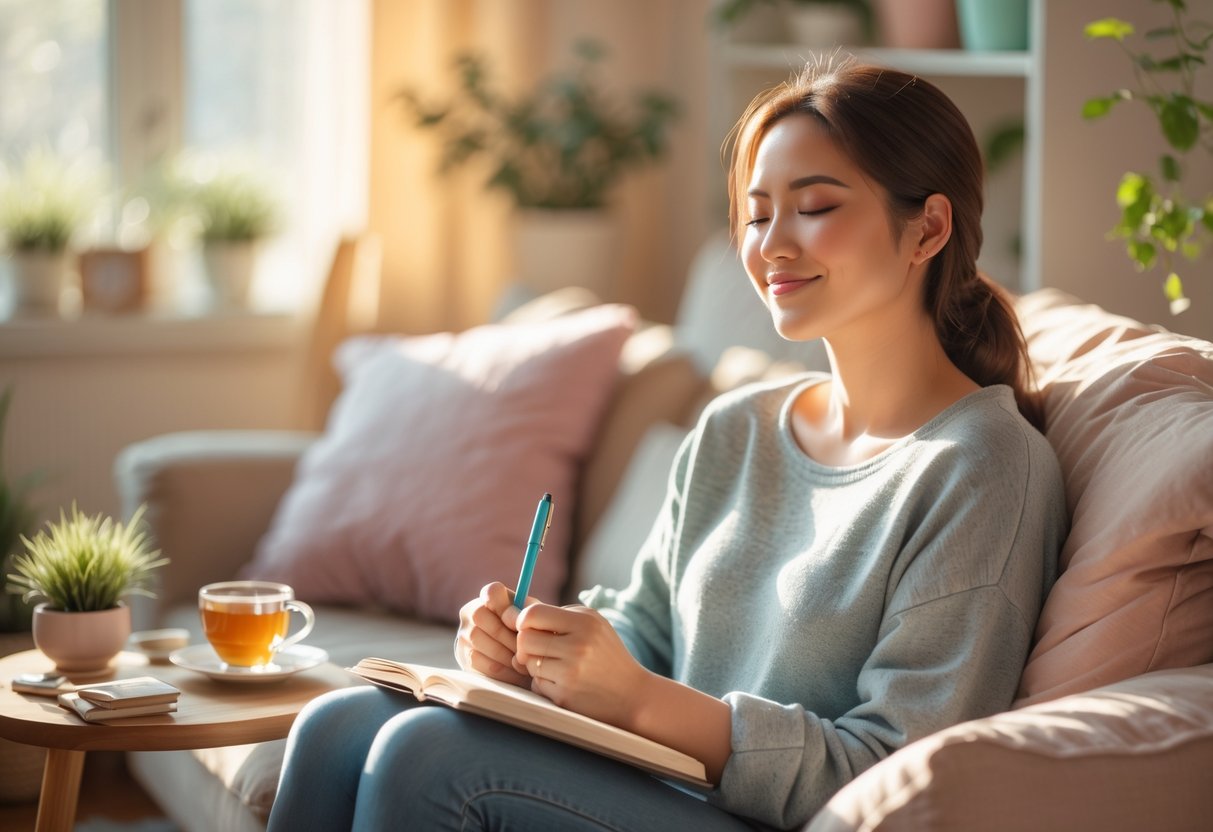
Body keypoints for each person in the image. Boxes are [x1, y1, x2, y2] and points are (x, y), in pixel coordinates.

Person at [266, 58, 1067, 831]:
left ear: (926, 227)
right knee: (335, 724)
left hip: (777, 819)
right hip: (653, 783)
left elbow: (896, 769)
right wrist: (539, 655)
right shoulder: (737, 427)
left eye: (815, 207)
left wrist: (642, 701)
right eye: (756, 215)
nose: (772, 245)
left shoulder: (984, 466)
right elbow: (644, 630)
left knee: (425, 755)